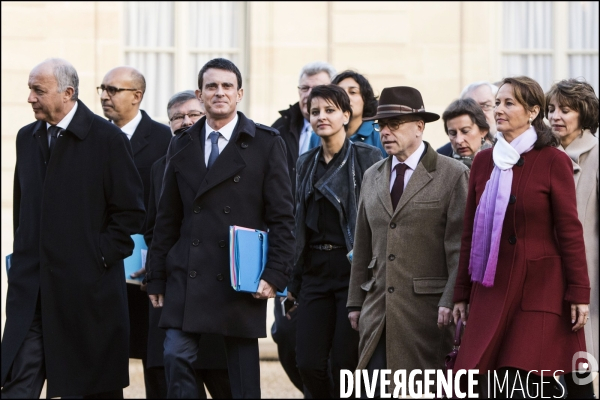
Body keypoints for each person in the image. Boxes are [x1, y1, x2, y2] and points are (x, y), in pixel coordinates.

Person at [145, 58, 295, 399]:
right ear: (200, 94)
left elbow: (283, 217)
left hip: (240, 274)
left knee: (241, 379)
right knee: (174, 355)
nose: (219, 92)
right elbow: (166, 217)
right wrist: (156, 275)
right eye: (211, 86)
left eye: (227, 86)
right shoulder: (180, 143)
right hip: (189, 271)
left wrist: (275, 273)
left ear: (239, 93)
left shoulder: (266, 143)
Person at [1, 58, 145, 398]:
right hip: (31, 291)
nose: (30, 98)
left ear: (68, 93)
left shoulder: (108, 139)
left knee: (88, 387)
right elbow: (22, 212)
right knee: (17, 384)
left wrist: (95, 257)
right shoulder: (27, 138)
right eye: (30, 90)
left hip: (86, 295)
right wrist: (21, 259)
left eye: (38, 90)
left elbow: (130, 213)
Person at [452, 76, 591, 397]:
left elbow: (570, 231)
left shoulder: (553, 160)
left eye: (508, 103)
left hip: (539, 289)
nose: (498, 109)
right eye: (497, 103)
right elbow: (469, 231)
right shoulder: (484, 161)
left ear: (532, 112)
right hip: (490, 288)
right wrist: (461, 293)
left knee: (529, 381)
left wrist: (579, 292)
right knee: (486, 382)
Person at [347, 86, 469, 395]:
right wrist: (354, 303)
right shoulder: (373, 175)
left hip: (428, 315)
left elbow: (459, 247)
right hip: (378, 310)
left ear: (419, 126)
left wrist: (450, 299)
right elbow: (362, 244)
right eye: (381, 125)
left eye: (394, 124)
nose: (385, 131)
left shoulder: (452, 174)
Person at [287, 85, 382, 398]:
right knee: (308, 363)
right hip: (314, 271)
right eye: (315, 112)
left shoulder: (368, 157)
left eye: (329, 110)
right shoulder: (304, 163)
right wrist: (294, 281)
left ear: (346, 115)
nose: (321, 117)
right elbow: (297, 223)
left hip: (351, 270)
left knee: (345, 363)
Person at [143, 90, 232, 399]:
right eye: (177, 117)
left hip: (220, 283)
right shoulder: (159, 167)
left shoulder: (226, 159)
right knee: (176, 370)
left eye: (193, 115)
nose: (185, 122)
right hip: (178, 282)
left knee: (223, 378)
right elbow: (155, 227)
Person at [98, 66, 172, 399]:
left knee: (156, 361)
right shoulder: (93, 137)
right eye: (102, 89)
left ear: (136, 96)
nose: (104, 96)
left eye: (112, 90)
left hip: (149, 269)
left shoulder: (164, 140)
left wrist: (159, 259)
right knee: (103, 358)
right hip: (104, 264)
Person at [270, 60, 336, 395]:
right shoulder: (278, 129)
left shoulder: (353, 141)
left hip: (336, 256)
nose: (310, 96)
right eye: (305, 89)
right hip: (289, 251)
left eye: (319, 89)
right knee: (285, 334)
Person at [546, 78, 599, 399]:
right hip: (543, 270)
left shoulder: (595, 155)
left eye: (565, 110)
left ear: (584, 114)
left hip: (585, 273)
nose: (556, 116)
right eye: (551, 109)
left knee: (579, 360)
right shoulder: (541, 153)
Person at [316, 70, 386, 157]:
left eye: (353, 92)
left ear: (365, 99)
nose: (346, 97)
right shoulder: (319, 134)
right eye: (340, 92)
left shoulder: (379, 132)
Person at [438, 81, 498, 157]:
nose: (480, 113)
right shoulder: (441, 156)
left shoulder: (505, 154)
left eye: (485, 106)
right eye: (469, 107)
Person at [441, 97, 493, 168]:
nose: (459, 140)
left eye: (465, 131)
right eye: (453, 133)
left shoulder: (499, 160)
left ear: (483, 131)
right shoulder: (440, 160)